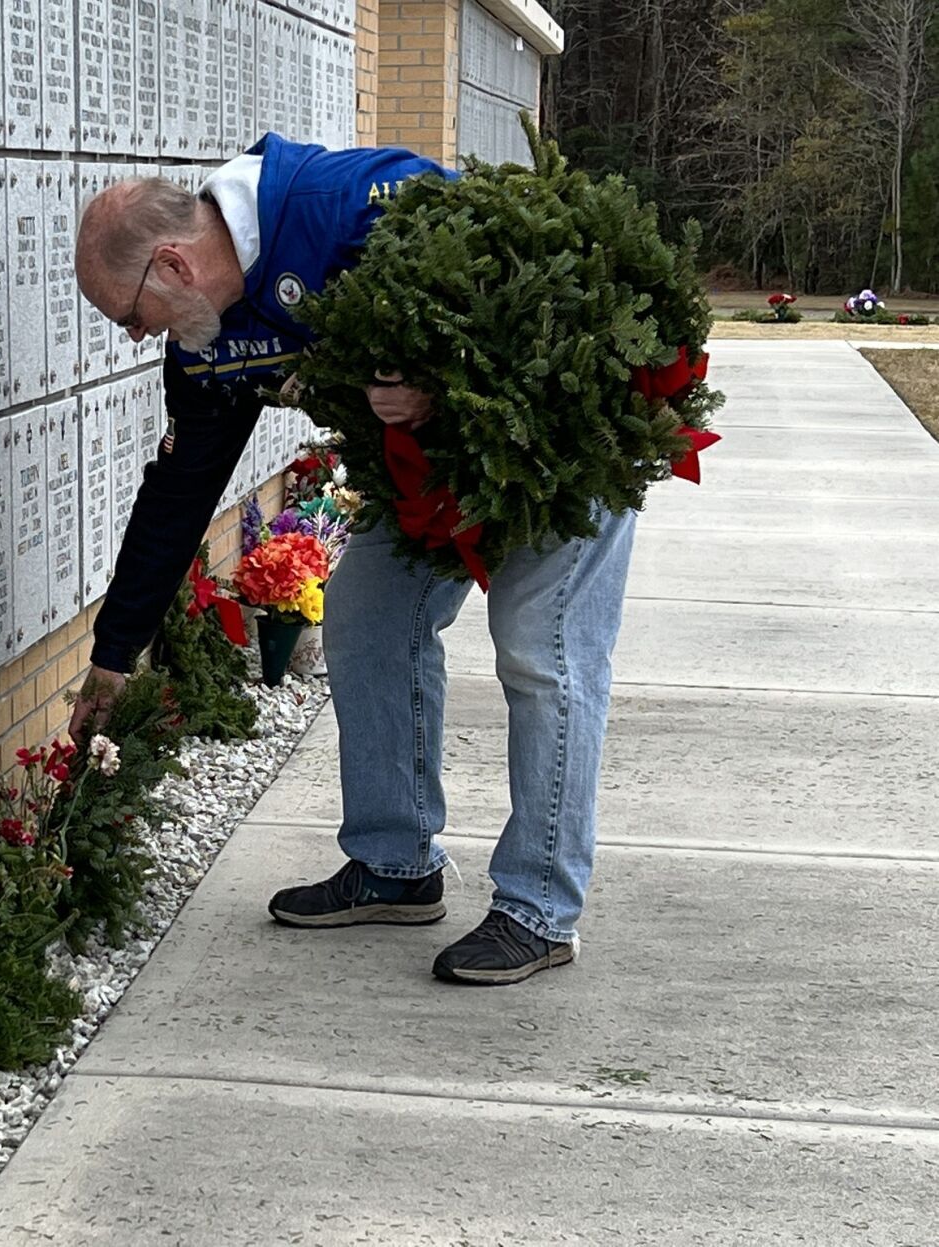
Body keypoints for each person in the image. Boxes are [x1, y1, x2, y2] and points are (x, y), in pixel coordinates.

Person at [67, 134, 637, 986]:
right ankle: (396, 862)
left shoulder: (352, 202)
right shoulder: (208, 341)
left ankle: (538, 908)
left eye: (129, 315)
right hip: (431, 469)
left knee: (541, 652)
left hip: (565, 434)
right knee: (368, 620)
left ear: (175, 266)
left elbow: (527, 280)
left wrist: (441, 376)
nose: (136, 336)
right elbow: (180, 492)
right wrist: (114, 658)